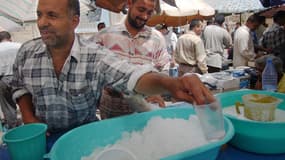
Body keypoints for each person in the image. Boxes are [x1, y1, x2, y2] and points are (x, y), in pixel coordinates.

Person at [11, 0, 214, 150]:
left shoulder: (94, 55)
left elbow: (131, 75)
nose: (42, 23)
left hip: (84, 139)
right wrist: (29, 116)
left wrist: (171, 84)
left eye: (52, 16)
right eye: (40, 15)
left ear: (74, 21)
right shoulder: (26, 52)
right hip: (40, 139)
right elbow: (19, 86)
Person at [95, 0, 171, 119]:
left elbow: (164, 68)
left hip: (144, 110)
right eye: (141, 10)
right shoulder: (104, 36)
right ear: (129, 3)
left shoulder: (157, 38)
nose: (145, 16)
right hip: (111, 111)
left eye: (150, 12)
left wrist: (157, 91)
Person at [0, 31, 21, 129]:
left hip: (3, 79)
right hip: (19, 77)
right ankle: (30, 124)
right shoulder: (19, 46)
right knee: (25, 101)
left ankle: (14, 128)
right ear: (9, 38)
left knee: (8, 106)